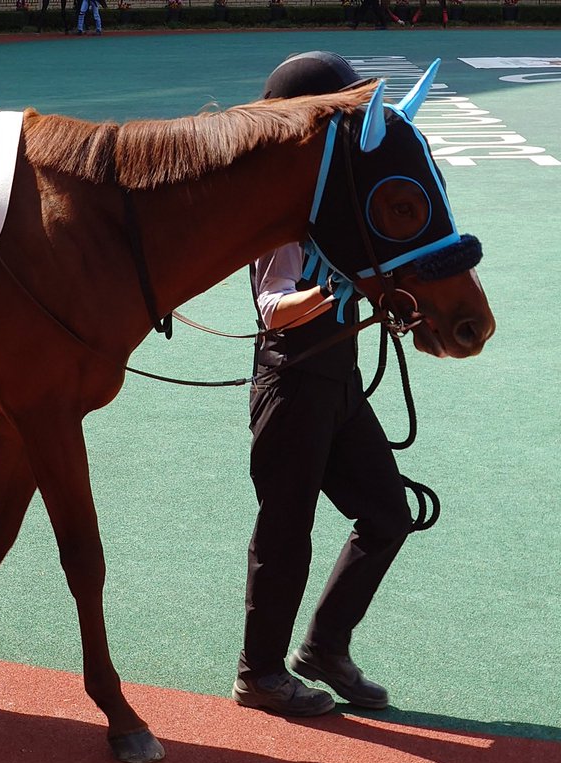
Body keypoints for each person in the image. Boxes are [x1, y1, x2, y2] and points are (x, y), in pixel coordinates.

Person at [232, 51, 412, 717]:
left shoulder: (341, 201)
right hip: (291, 382)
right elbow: (273, 306)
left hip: (339, 381)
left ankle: (324, 648)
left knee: (388, 515)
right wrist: (338, 288)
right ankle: (259, 674)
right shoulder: (283, 209)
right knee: (286, 531)